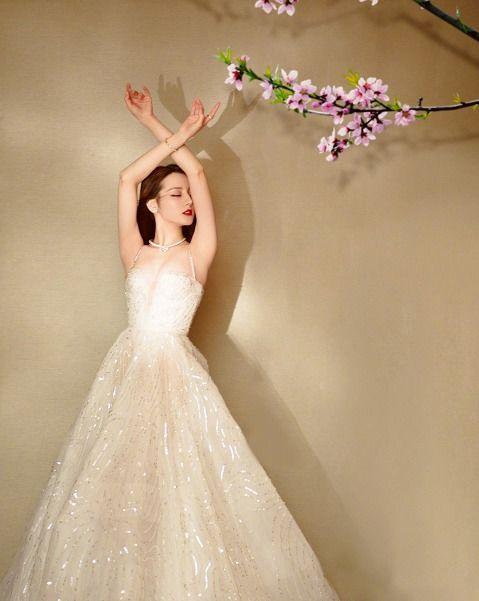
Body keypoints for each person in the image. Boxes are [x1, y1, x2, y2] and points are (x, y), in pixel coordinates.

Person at [0, 84, 340, 600]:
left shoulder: (198, 253)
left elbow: (198, 174)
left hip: (178, 379)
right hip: (128, 373)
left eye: (188, 196)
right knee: (118, 490)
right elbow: (126, 178)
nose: (188, 202)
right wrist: (159, 125)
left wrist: (175, 132)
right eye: (175, 195)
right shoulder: (134, 251)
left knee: (188, 488)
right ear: (152, 204)